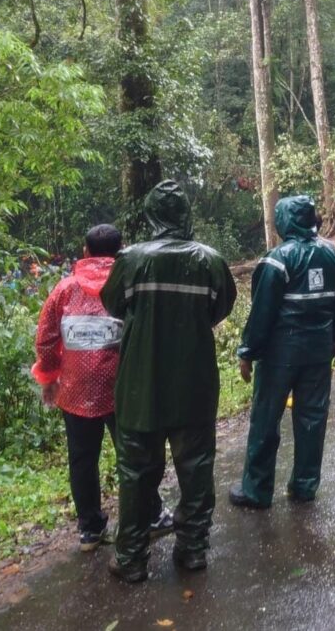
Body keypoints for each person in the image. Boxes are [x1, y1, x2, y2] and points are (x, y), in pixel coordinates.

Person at [100, 180, 237, 582]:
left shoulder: (131, 259)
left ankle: (131, 558)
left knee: (137, 472)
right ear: (185, 214)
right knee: (196, 468)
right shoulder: (209, 260)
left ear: (151, 215)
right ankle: (193, 549)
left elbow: (113, 305)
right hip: (194, 381)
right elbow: (221, 308)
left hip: (141, 384)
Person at [32, 225, 174, 552]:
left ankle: (90, 529)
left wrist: (50, 376)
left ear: (84, 251)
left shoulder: (64, 290)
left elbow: (46, 337)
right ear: (122, 249)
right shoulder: (129, 283)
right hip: (126, 386)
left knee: (82, 459)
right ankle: (149, 514)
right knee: (136, 452)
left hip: (76, 388)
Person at [229, 196, 335, 510]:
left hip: (280, 353)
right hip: (318, 350)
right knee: (312, 418)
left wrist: (248, 352)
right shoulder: (332, 254)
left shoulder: (277, 260)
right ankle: (304, 486)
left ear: (284, 221)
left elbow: (262, 313)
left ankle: (257, 491)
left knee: (266, 419)